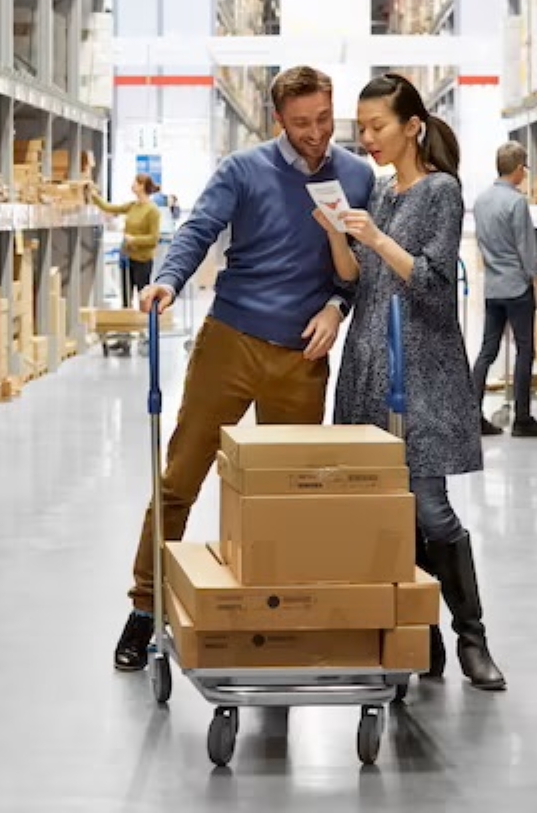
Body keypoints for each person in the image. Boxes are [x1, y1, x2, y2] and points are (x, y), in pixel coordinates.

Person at [113, 66, 375, 672]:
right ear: (277, 119)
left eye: (323, 120)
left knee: (293, 496)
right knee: (181, 478)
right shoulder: (244, 170)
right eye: (302, 123)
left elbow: (361, 267)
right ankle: (145, 607)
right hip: (228, 342)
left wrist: (338, 309)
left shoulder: (357, 176)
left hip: (302, 356)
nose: (315, 135)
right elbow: (199, 229)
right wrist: (165, 282)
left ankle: (280, 611)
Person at [317, 73, 505, 692]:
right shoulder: (379, 190)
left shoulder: (442, 192)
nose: (366, 138)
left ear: (412, 126)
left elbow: (430, 284)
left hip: (421, 369)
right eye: (362, 128)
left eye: (378, 127)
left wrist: (374, 235)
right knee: (386, 514)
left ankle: (471, 637)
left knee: (429, 507)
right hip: (369, 363)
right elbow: (361, 278)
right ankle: (419, 638)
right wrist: (338, 237)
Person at [471, 141, 537, 439]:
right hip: (517, 288)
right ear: (519, 169)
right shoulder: (516, 203)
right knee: (525, 351)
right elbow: (527, 249)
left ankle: (472, 415)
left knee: (487, 351)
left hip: (493, 287)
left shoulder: (481, 201)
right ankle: (522, 418)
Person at [89, 174, 163, 312]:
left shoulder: (153, 211)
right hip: (127, 258)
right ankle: (128, 324)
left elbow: (154, 238)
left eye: (135, 183)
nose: (132, 185)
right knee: (125, 295)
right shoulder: (132, 206)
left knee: (143, 295)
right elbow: (110, 208)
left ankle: (143, 325)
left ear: (142, 186)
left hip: (143, 260)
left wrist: (134, 239)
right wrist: (93, 196)